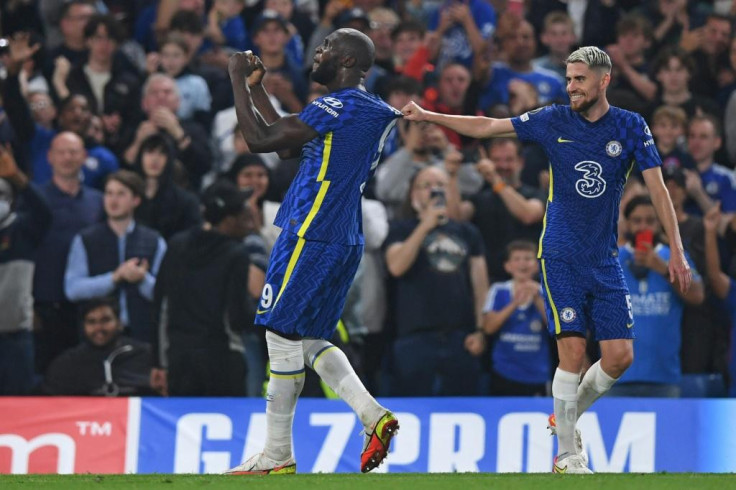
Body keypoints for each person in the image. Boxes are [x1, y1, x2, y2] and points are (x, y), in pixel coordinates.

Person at [402, 46, 692, 474]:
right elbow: (487, 127)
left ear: (603, 80)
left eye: (579, 79)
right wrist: (430, 116)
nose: (571, 86)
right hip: (559, 252)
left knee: (619, 357)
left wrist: (678, 250)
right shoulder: (552, 119)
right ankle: (566, 455)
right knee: (572, 351)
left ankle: (565, 417)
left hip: (605, 258)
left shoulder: (631, 127)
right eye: (569, 78)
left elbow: (658, 190)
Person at [225, 28, 401, 474]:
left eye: (325, 47)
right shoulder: (369, 110)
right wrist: (258, 89)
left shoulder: (336, 105)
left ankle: (277, 454)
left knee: (279, 335)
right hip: (343, 237)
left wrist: (234, 79)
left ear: (346, 61)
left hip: (309, 230)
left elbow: (261, 142)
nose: (316, 52)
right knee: (309, 339)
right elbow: (289, 148)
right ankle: (372, 415)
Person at [383, 166, 488, 397]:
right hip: (414, 338)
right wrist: (425, 225)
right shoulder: (399, 229)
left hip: (461, 337)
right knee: (410, 408)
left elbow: (481, 286)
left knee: (460, 405)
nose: (434, 190)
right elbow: (396, 267)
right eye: (426, 185)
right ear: (413, 195)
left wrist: (480, 330)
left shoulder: (468, 232)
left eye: (440, 185)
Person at [152, 180, 257, 397]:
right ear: (228, 220)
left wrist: (160, 362)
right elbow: (236, 316)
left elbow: (161, 306)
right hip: (222, 360)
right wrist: (268, 315)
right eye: (242, 212)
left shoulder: (176, 244)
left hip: (179, 359)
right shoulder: (236, 254)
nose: (247, 218)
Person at [612, 195, 704, 397]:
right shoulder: (613, 259)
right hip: (615, 376)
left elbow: (697, 296)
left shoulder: (675, 256)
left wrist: (662, 268)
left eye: (650, 221)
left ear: (659, 223)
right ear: (627, 223)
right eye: (637, 221)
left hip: (664, 377)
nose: (643, 227)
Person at [65, 170, 166, 342]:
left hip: (142, 334)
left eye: (121, 194)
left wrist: (142, 279)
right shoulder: (85, 239)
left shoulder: (154, 241)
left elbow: (166, 294)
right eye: (109, 193)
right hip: (97, 337)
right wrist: (115, 277)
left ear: (136, 200)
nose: (113, 200)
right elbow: (73, 289)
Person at [0, 146, 52, 395]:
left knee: (19, 403)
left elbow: (44, 212)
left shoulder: (23, 229)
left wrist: (18, 178)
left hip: (15, 335)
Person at [38, 297, 157, 396]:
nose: (98, 328)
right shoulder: (65, 364)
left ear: (119, 323)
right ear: (83, 327)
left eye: (105, 320)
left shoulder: (144, 355)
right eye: (91, 322)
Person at [482, 241, 550, 397]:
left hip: (537, 373)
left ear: (536, 265)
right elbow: (489, 327)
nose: (522, 264)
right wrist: (514, 304)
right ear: (508, 266)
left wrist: (538, 300)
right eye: (517, 259)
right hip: (504, 371)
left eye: (527, 259)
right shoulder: (498, 290)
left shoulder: (546, 292)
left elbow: (555, 329)